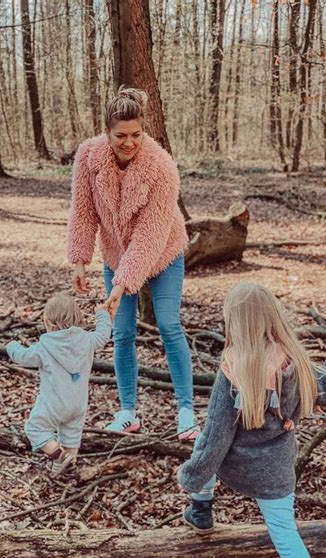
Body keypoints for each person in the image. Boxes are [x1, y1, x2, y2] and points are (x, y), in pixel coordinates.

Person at [178, 283, 326, 558]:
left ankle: (201, 511)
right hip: (275, 471)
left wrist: (193, 477)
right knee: (286, 533)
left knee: (201, 444)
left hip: (236, 466)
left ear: (234, 321)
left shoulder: (233, 367)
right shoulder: (294, 361)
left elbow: (216, 436)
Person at [68, 86, 198, 440]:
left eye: (136, 135)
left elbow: (151, 234)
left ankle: (186, 412)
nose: (129, 142)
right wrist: (80, 259)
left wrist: (123, 284)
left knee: (169, 325)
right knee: (121, 333)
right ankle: (127, 412)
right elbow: (83, 211)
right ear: (107, 132)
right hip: (116, 254)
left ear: (145, 130)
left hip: (164, 252)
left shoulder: (162, 167)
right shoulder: (88, 158)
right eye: (120, 135)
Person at [7, 293, 112, 475]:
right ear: (77, 318)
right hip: (78, 405)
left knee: (34, 428)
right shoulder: (87, 340)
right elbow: (103, 335)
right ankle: (67, 470)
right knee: (71, 436)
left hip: (54, 403)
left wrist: (12, 347)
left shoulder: (44, 347)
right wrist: (102, 314)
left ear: (49, 322)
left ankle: (60, 457)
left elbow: (23, 357)